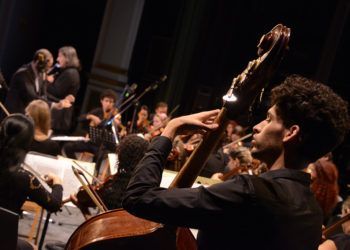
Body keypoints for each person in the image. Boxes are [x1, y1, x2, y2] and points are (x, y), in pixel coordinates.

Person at [123, 75, 350, 250]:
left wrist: (170, 130)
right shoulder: (312, 213)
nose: (258, 126)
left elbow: (138, 197)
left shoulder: (248, 192)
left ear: (290, 133)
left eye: (269, 119)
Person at [0, 114, 63, 249]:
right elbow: (54, 204)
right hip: (4, 243)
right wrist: (57, 183)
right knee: (33, 247)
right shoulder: (24, 178)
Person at [70, 134, 149, 219]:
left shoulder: (111, 188)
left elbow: (103, 228)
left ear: (120, 156)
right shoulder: (147, 189)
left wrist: (83, 208)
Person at [4, 49, 70, 115]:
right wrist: (54, 105)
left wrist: (59, 101)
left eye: (49, 67)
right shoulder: (23, 74)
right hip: (13, 114)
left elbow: (43, 94)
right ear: (38, 62)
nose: (48, 69)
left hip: (26, 115)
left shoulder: (41, 73)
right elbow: (32, 97)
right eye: (46, 67)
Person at [47, 46, 81, 135]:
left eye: (60, 56)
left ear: (67, 58)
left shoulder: (70, 73)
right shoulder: (69, 72)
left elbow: (56, 92)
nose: (57, 59)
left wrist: (45, 81)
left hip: (58, 117)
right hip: (59, 115)